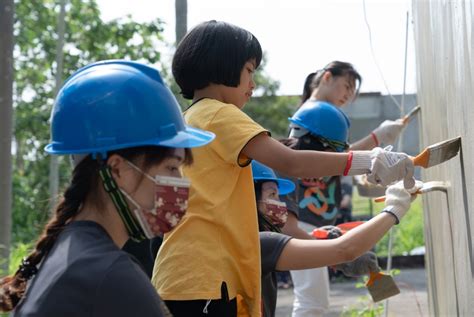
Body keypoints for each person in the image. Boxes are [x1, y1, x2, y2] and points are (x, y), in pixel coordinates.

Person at [152, 20, 415, 317]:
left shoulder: (192, 116)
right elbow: (292, 163)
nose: (253, 84)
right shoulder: (220, 114)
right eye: (250, 71)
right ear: (222, 65)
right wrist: (371, 161)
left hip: (185, 276)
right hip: (204, 280)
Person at [0, 60, 214, 316]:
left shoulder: (68, 251)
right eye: (171, 168)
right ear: (117, 170)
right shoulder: (111, 276)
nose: (181, 183)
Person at [251, 161, 420, 317]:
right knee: (312, 302)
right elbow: (345, 250)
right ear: (248, 197)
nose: (281, 204)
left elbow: (341, 251)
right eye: (272, 194)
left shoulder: (247, 241)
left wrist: (322, 244)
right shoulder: (259, 243)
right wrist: (395, 208)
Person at [297, 60, 406, 151]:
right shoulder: (320, 112)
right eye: (347, 87)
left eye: (351, 93)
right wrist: (378, 136)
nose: (347, 96)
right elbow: (341, 159)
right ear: (327, 77)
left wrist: (378, 136)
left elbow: (338, 157)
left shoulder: (309, 109)